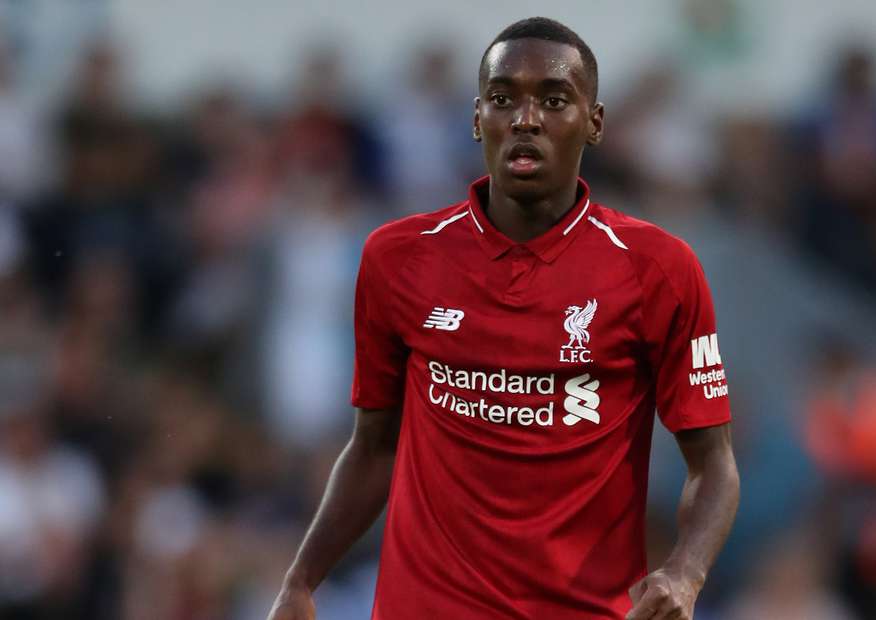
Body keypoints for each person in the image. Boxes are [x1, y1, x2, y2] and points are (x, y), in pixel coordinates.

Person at [268, 17, 739, 620]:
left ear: (594, 122)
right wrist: (302, 580)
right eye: (502, 98)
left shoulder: (658, 269)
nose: (525, 119)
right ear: (476, 118)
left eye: (554, 100)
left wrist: (686, 572)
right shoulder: (399, 258)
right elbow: (374, 447)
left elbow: (713, 464)